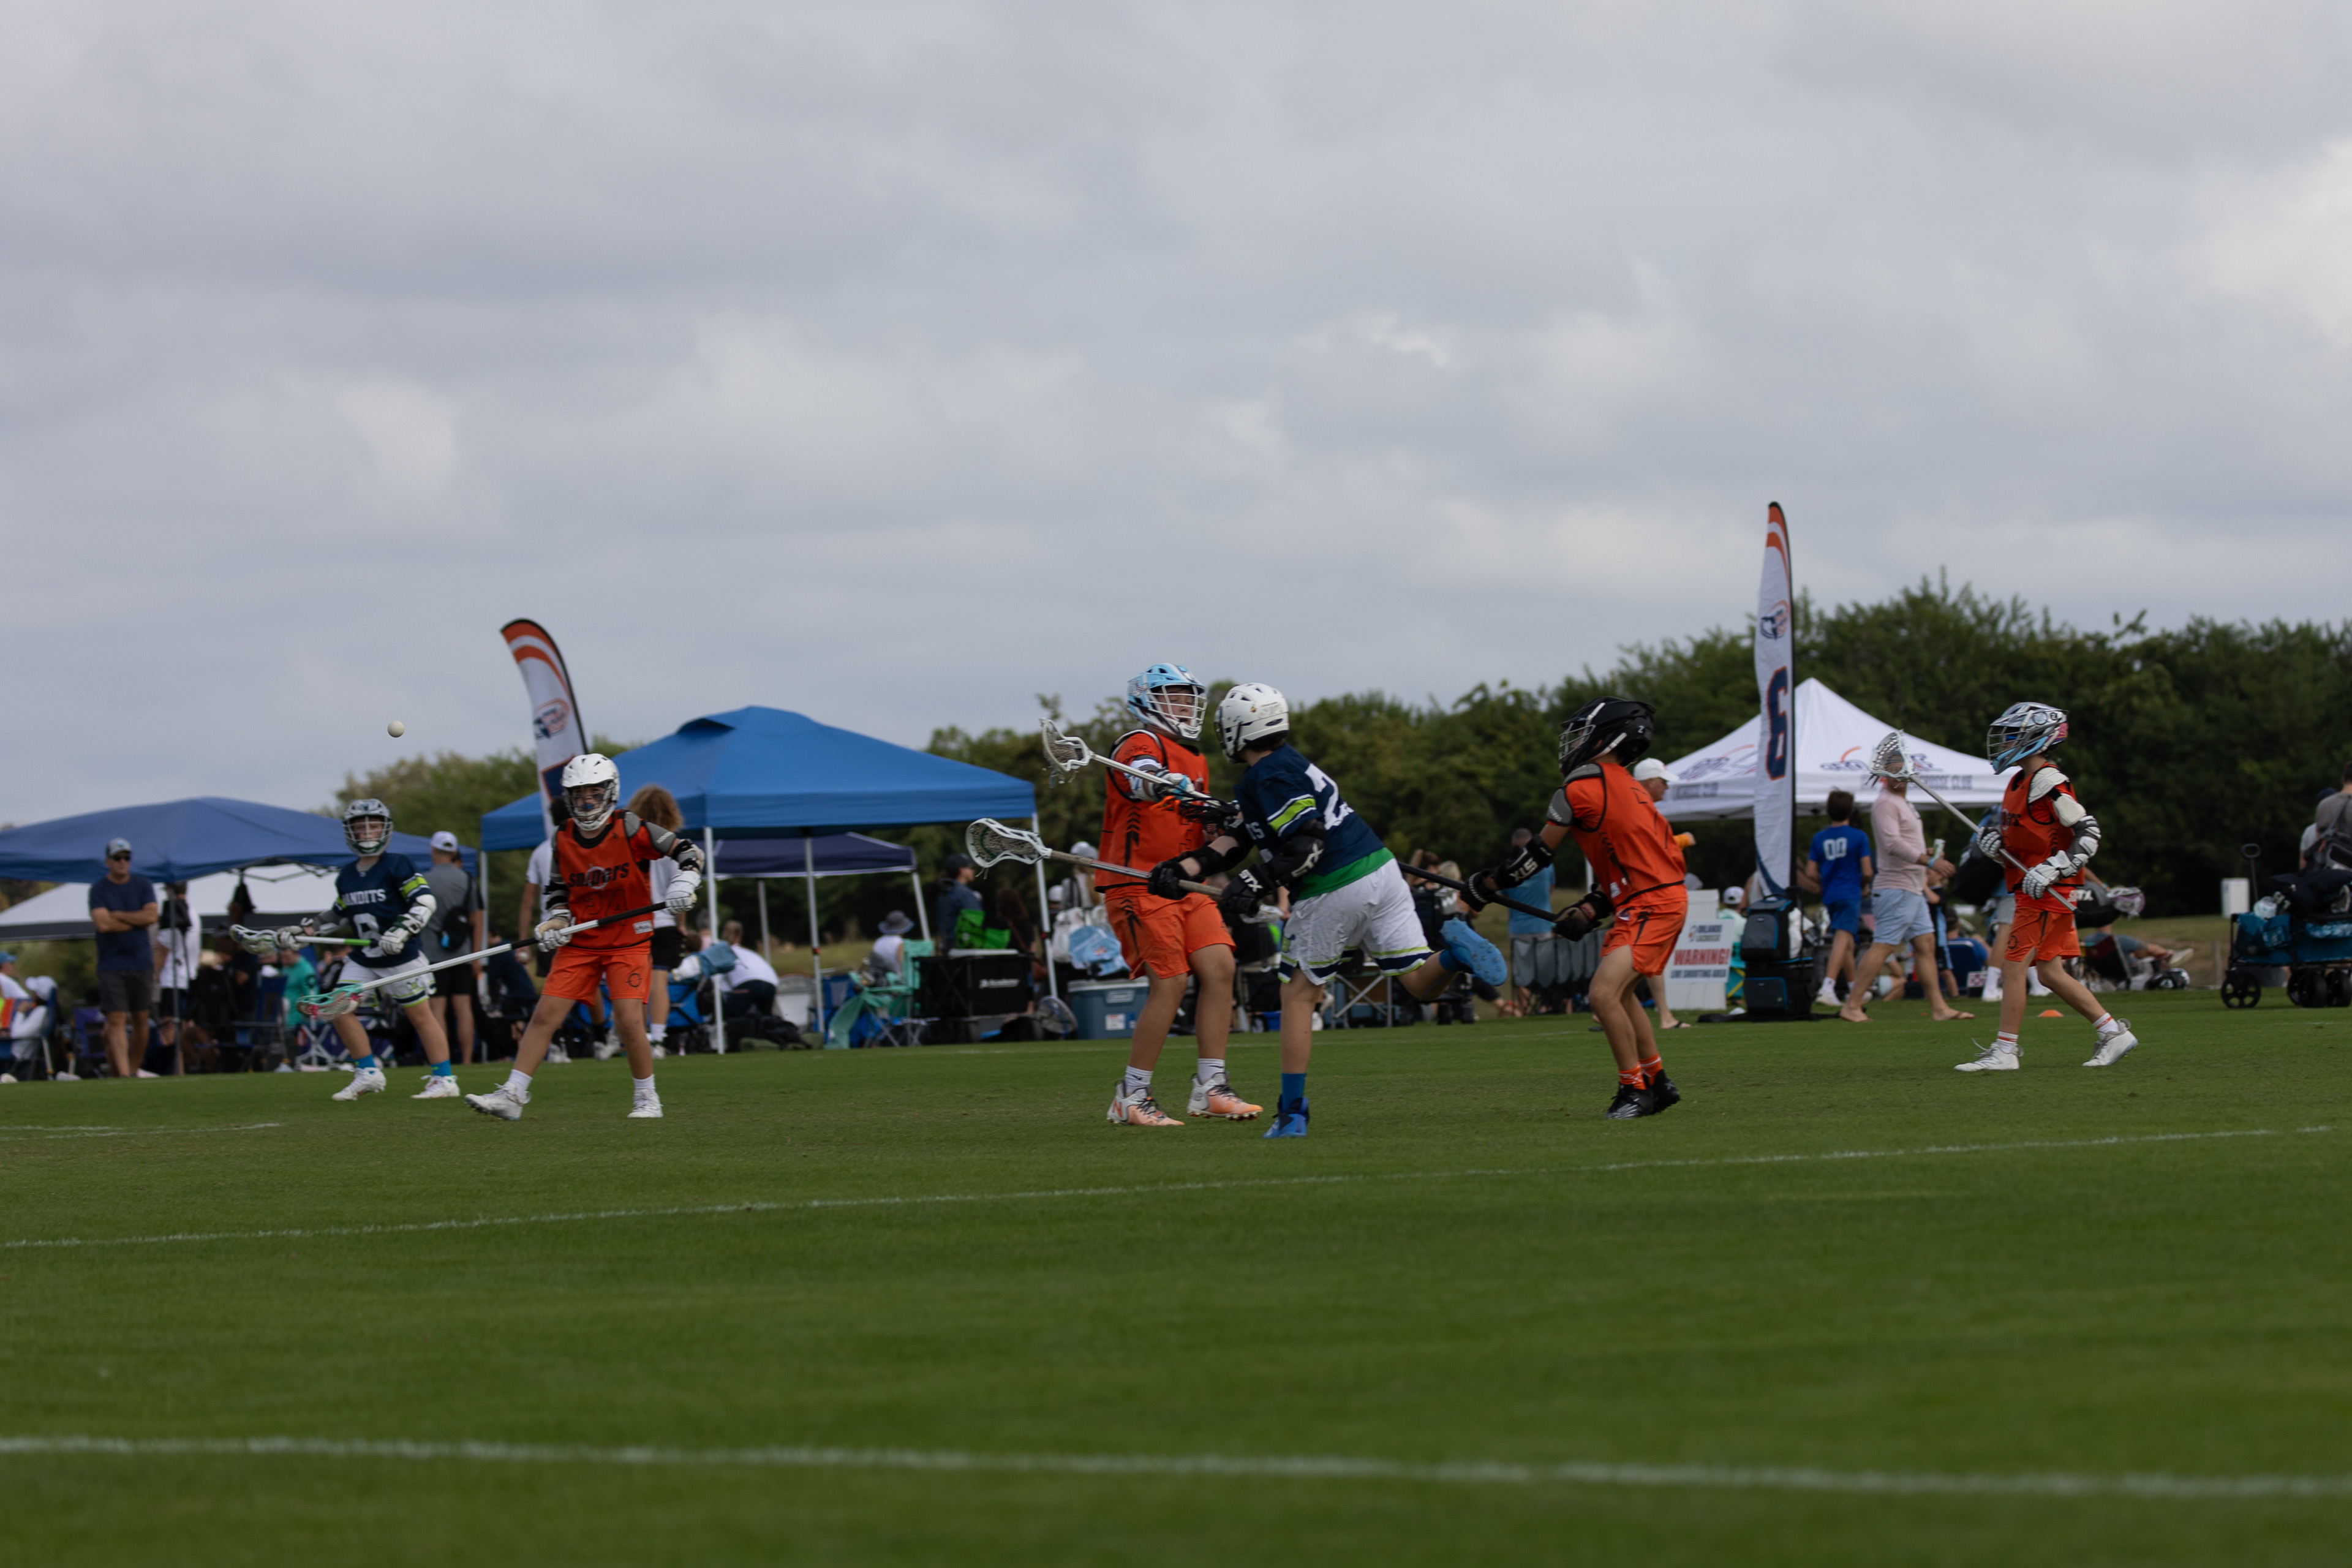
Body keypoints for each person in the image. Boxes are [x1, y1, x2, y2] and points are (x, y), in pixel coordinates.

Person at [1148, 683, 1506, 1138]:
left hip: (1335, 883)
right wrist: (1180, 869)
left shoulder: (1270, 775)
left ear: (1239, 728)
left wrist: (1256, 881)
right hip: (1380, 868)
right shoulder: (1285, 765)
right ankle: (1455, 954)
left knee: (1299, 995)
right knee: (1419, 982)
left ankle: (1292, 1113)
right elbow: (1235, 841)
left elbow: (1306, 844)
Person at [1471, 698, 1687, 1119]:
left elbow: (1536, 856)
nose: (1573, 744)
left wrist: (1487, 885)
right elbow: (1639, 862)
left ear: (1606, 737)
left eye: (1580, 734)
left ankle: (1633, 1091)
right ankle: (1657, 1081)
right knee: (1621, 995)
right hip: (1651, 901)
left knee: (1602, 994)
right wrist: (1591, 908)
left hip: (1651, 905)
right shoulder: (1633, 790)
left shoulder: (1582, 786)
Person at [466, 755, 706, 1122]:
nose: (587, 801)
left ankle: (647, 1098)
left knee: (628, 1020)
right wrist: (555, 922)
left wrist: (684, 882)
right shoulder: (562, 837)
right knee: (544, 1015)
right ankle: (513, 1094)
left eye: (594, 793)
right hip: (582, 942)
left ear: (610, 792)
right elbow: (558, 891)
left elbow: (688, 851)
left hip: (629, 940)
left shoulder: (630, 827)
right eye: (579, 794)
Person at [1096, 663, 1258, 1125]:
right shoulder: (1139, 742)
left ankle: (1211, 1087)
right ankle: (1132, 1095)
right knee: (1170, 981)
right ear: (1148, 701)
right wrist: (1169, 786)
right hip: (1139, 882)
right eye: (1175, 698)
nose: (1185, 707)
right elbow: (1140, 778)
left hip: (1185, 882)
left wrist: (1219, 821)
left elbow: (1193, 825)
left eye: (1189, 699)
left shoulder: (1196, 758)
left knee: (1221, 968)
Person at [1956, 703, 2140, 1072]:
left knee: (2012, 967)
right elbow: (2030, 843)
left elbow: (2088, 833)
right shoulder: (2017, 783)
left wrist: (2056, 867)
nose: (2004, 742)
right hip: (2032, 890)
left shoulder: (2049, 781)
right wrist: (1998, 848)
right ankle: (2113, 1033)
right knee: (2050, 973)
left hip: (2046, 894)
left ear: (2034, 737)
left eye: (2012, 735)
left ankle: (2006, 1051)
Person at [241, 800, 462, 1101]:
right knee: (337, 1007)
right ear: (350, 832)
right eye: (361, 827)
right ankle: (368, 1072)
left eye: (374, 826)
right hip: (364, 957)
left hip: (400, 956)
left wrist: (401, 930)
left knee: (420, 1017)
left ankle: (444, 1079)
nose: (368, 833)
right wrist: (302, 933)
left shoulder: (398, 865)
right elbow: (336, 915)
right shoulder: (346, 875)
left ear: (385, 830)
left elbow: (424, 902)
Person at [1841, 771, 1973, 1024]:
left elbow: (1904, 843)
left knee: (1926, 944)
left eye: (1902, 769)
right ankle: (1852, 1005)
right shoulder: (1885, 803)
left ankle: (1939, 1008)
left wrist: (1925, 854)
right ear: (1884, 775)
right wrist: (1930, 861)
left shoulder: (1901, 802)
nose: (1899, 776)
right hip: (1896, 887)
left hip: (1911, 888)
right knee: (1884, 944)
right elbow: (1892, 844)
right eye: (1893, 770)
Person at [88, 837, 159, 1079]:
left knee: (141, 1017)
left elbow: (151, 917)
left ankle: (133, 1069)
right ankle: (124, 1075)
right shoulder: (99, 890)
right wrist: (135, 921)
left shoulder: (143, 885)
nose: (122, 862)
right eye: (117, 858)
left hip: (141, 961)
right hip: (111, 964)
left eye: (126, 857)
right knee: (116, 1018)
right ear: (108, 861)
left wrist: (118, 915)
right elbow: (104, 924)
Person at [625, 786, 689, 1055]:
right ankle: (659, 1040)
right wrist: (681, 924)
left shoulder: (631, 845)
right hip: (665, 923)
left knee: (636, 985)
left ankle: (638, 1038)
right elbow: (681, 889)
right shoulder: (673, 844)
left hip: (636, 922)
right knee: (659, 983)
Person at [1797, 790, 1872, 1008]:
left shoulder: (1819, 837)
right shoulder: (1859, 836)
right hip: (1850, 893)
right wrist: (1864, 886)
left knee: (1845, 941)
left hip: (1830, 895)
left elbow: (1811, 872)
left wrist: (1826, 882)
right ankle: (1828, 986)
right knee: (1842, 937)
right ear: (1851, 810)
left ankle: (1854, 987)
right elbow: (1867, 871)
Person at [420, 831, 486, 1066]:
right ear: (454, 852)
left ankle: (442, 1060)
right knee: (463, 1009)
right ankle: (467, 1060)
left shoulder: (424, 881)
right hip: (463, 954)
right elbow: (477, 919)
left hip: (432, 955)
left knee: (437, 1009)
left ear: (433, 850)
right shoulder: (467, 880)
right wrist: (476, 955)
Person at [1497, 829, 1558, 1017]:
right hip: (1543, 926)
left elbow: (1504, 896)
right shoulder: (1546, 865)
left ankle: (1525, 1011)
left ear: (1513, 846)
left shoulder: (1507, 868)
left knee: (1520, 976)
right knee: (1546, 973)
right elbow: (1550, 890)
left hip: (1518, 929)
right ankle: (1550, 1007)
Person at [153, 880, 205, 1074]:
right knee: (183, 1026)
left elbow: (162, 949)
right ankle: (185, 1068)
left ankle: (176, 1069)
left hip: (173, 978)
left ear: (169, 890)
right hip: (190, 976)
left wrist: (155, 975)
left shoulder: (172, 914)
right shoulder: (194, 913)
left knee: (169, 1028)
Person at [714, 919, 780, 1021]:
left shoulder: (723, 952)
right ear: (740, 935)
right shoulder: (748, 953)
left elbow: (719, 981)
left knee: (733, 1018)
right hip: (771, 983)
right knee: (765, 1019)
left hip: (748, 982)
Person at [2, 952, 51, 1081]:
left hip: (16, 1052)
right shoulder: (41, 1011)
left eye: (34, 991)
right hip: (18, 1048)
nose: (31, 994)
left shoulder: (40, 1012)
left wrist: (20, 1013)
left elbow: (18, 1034)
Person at [933, 854, 983, 951]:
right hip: (963, 946)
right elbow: (977, 921)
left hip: (947, 945)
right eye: (970, 868)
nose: (973, 871)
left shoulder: (945, 890)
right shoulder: (964, 893)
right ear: (962, 870)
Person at [867, 911, 914, 980]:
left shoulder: (879, 941)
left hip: (878, 978)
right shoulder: (900, 943)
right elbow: (903, 965)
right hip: (895, 980)